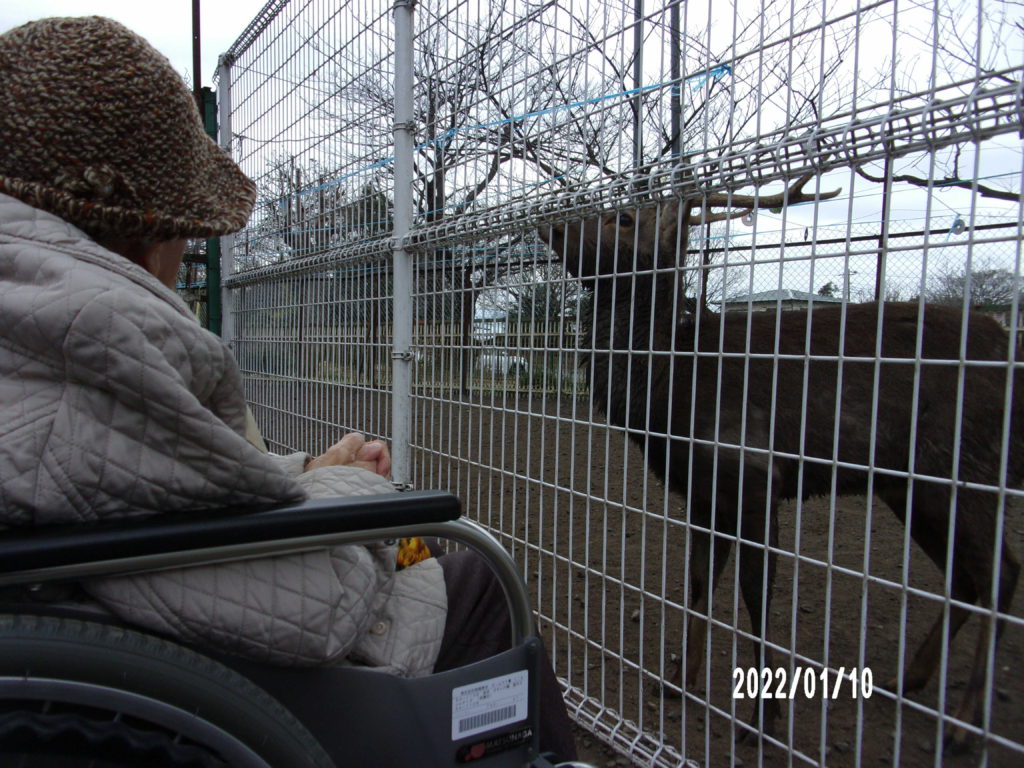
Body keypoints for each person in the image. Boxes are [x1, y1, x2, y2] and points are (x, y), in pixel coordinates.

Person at [0, 15, 575, 761]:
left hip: (94, 621)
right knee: (477, 580)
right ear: (148, 230)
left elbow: (127, 484)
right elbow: (314, 605)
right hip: (180, 687)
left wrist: (304, 474)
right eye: (184, 228)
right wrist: (362, 500)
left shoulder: (33, 331)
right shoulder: (95, 329)